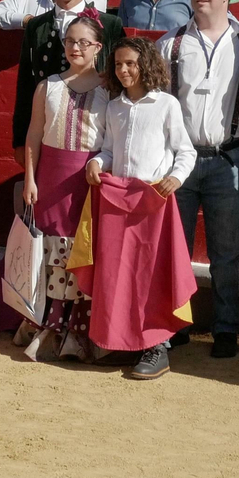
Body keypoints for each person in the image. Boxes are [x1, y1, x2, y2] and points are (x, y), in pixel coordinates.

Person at [153, 0, 239, 361]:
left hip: (228, 154)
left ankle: (226, 328)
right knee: (172, 247)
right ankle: (174, 322)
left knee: (226, 251)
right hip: (180, 160)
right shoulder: (171, 44)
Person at [82, 37, 198, 379]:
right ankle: (125, 342)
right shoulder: (115, 106)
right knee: (117, 274)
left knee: (151, 274)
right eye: (118, 64)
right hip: (119, 202)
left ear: (145, 65)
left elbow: (185, 151)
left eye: (131, 63)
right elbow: (109, 150)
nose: (124, 70)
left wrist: (175, 178)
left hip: (152, 201)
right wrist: (97, 164)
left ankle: (156, 346)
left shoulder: (166, 105)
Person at [19, 14, 111, 361]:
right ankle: (49, 323)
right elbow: (34, 134)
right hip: (52, 177)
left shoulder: (108, 87)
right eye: (70, 41)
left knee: (81, 252)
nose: (74, 47)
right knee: (53, 251)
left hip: (88, 177)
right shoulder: (48, 85)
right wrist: (30, 176)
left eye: (83, 42)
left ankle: (78, 327)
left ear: (98, 47)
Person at [12, 0, 125, 160]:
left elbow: (122, 85)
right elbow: (25, 84)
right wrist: (19, 141)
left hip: (98, 139)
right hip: (48, 134)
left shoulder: (110, 25)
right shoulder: (37, 26)